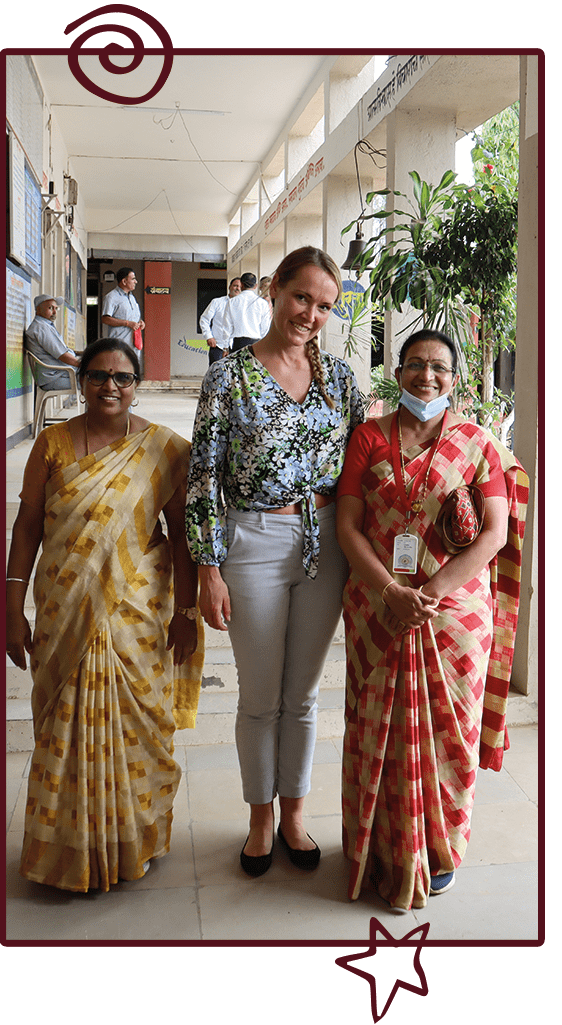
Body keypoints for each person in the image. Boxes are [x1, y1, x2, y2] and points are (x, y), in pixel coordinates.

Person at [186, 246, 365, 876]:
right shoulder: (230, 376)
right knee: (260, 696)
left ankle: (294, 813)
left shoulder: (341, 381)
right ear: (274, 292)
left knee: (306, 694)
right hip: (254, 542)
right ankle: (259, 818)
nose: (311, 314)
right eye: (301, 297)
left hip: (324, 548)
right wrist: (208, 567)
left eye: (324, 306)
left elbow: (363, 470)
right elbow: (203, 473)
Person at [335, 329, 528, 911]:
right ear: (398, 372)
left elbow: (495, 531)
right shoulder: (368, 437)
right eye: (415, 365)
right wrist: (393, 591)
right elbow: (348, 525)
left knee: (450, 734)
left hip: (454, 619)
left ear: (456, 376)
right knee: (375, 728)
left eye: (439, 367)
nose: (427, 377)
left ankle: (440, 850)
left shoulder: (477, 444)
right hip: (376, 605)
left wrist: (430, 592)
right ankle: (380, 847)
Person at [6, 338, 204, 892]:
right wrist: (10, 604)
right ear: (81, 380)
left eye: (122, 377)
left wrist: (186, 612)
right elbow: (27, 527)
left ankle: (132, 839)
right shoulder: (52, 443)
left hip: (137, 611)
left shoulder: (164, 449)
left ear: (136, 384)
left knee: (138, 722)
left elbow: (183, 540)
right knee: (64, 722)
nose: (109, 386)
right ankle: (63, 851)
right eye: (98, 376)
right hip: (63, 605)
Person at [25, 294, 80, 389]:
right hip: (53, 377)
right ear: (38, 309)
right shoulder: (41, 327)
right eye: (50, 308)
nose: (54, 312)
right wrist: (86, 365)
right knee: (94, 382)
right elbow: (63, 356)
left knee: (96, 377)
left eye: (56, 308)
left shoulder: (46, 325)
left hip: (60, 373)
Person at [101, 267, 145, 370]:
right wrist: (127, 323)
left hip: (134, 344)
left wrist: (141, 323)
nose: (136, 281)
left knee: (132, 371)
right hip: (119, 344)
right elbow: (105, 319)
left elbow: (134, 318)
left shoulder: (132, 298)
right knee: (119, 370)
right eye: (133, 279)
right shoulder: (111, 297)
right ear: (124, 281)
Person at [221, 271, 271, 352]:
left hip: (238, 343)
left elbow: (227, 326)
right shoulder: (263, 303)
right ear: (256, 286)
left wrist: (225, 347)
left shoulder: (232, 302)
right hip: (256, 343)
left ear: (241, 285)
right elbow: (265, 328)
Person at [200, 277, 242, 364]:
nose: (238, 288)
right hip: (218, 345)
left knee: (235, 376)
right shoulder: (217, 302)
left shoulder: (244, 306)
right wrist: (209, 336)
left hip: (236, 347)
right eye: (235, 285)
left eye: (240, 287)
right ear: (230, 287)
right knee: (215, 374)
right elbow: (204, 319)